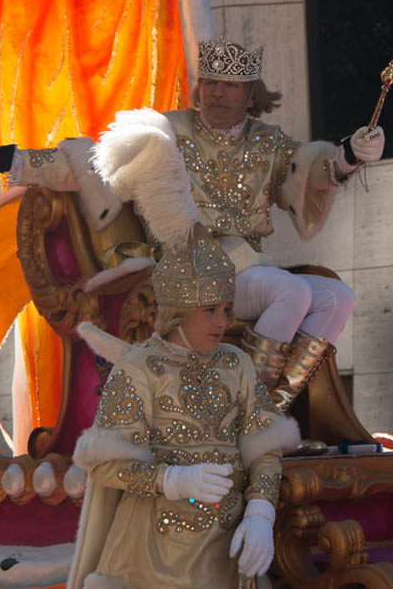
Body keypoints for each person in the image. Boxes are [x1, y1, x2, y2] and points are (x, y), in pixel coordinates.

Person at [0, 38, 385, 414]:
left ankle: (273, 407)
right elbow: (86, 165)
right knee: (293, 291)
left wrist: (349, 156)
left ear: (251, 95)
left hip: (246, 270)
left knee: (340, 296)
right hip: (184, 273)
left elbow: (310, 171)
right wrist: (0, 158)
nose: (217, 92)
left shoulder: (268, 142)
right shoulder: (165, 131)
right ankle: (245, 412)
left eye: (230, 85)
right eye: (210, 82)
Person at [68, 222, 299, 589]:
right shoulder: (138, 367)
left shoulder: (236, 363)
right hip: (148, 559)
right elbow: (106, 466)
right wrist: (173, 481)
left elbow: (264, 450)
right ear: (178, 309)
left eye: (227, 309)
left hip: (227, 553)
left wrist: (260, 512)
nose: (223, 322)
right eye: (210, 310)